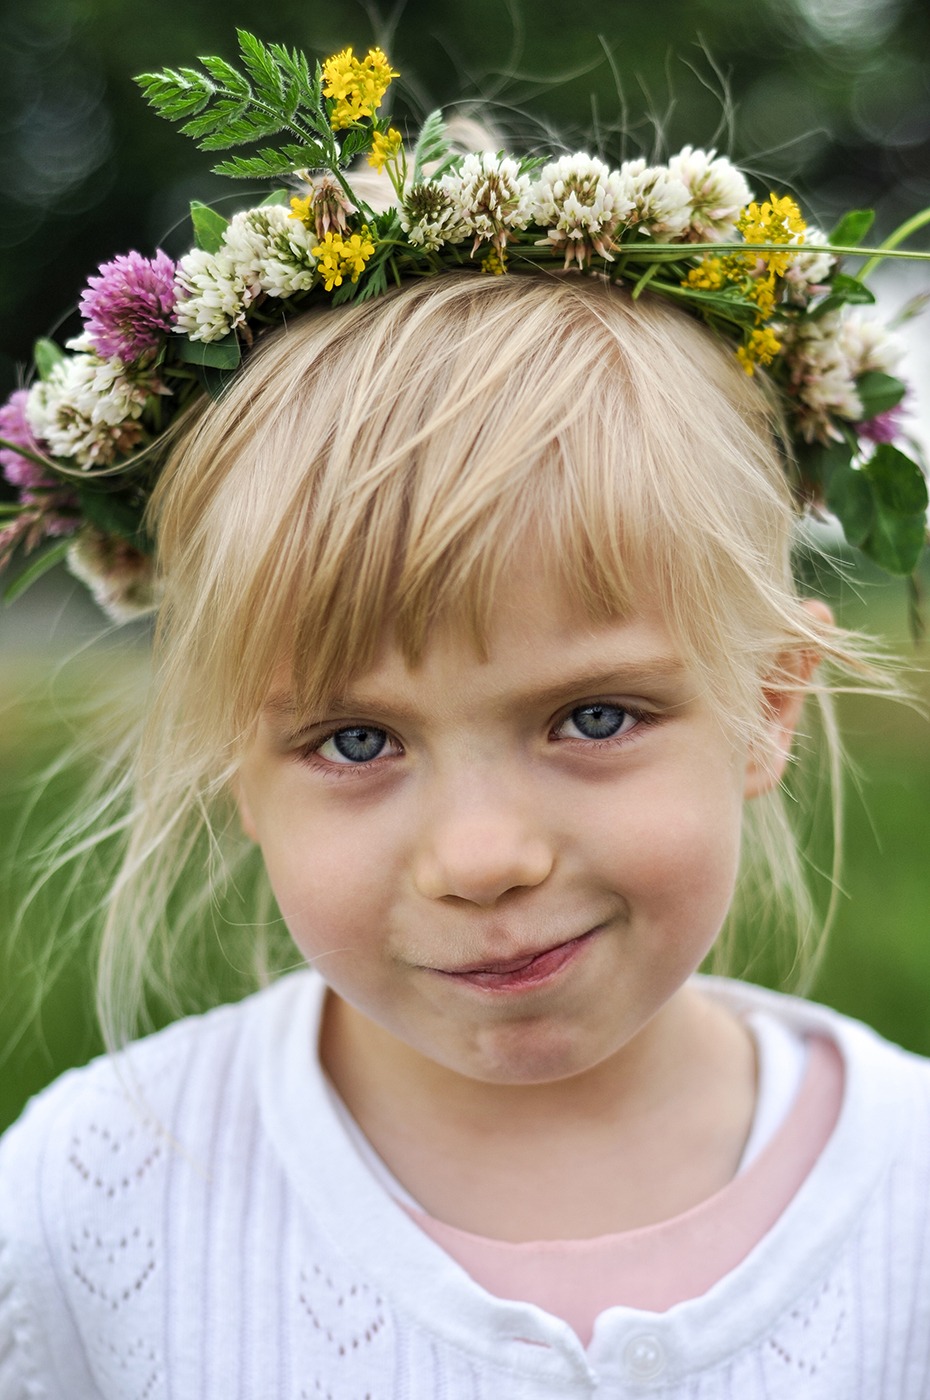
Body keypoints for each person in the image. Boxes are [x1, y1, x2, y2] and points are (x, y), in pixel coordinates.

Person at [0, 36, 928, 1400]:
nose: (482, 857)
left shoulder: (906, 1189)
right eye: (356, 742)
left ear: (764, 708)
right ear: (237, 773)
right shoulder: (87, 1201)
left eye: (593, 716)